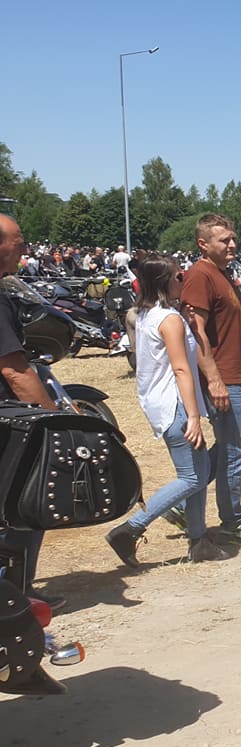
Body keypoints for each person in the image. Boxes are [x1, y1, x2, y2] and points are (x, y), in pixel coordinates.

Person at [105, 254, 220, 565]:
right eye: (179, 277)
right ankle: (129, 530)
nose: (183, 280)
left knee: (199, 472)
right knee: (192, 477)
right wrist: (193, 416)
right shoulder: (168, 320)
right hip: (175, 404)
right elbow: (181, 369)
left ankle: (199, 540)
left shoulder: (149, 314)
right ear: (164, 282)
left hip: (163, 402)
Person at [175, 214, 241, 548]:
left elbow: (232, 331)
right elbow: (196, 333)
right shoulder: (200, 276)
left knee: (228, 448)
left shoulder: (222, 274)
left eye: (233, 239)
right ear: (203, 244)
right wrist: (215, 380)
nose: (232, 245)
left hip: (236, 375)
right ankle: (232, 520)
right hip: (224, 379)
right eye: (224, 240)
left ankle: (182, 501)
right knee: (235, 450)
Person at [0, 215, 61, 609]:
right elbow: (14, 369)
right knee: (25, 505)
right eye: (18, 239)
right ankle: (15, 598)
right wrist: (54, 420)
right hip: (7, 419)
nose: (24, 246)